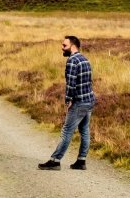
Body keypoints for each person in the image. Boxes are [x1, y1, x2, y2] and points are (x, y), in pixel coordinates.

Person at [39, 35, 95, 170]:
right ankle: (81, 161)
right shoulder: (85, 59)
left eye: (64, 45)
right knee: (84, 131)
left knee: (67, 131)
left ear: (73, 46)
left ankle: (55, 161)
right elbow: (88, 82)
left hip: (79, 102)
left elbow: (71, 83)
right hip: (89, 101)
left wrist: (68, 100)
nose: (62, 48)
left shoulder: (72, 61)